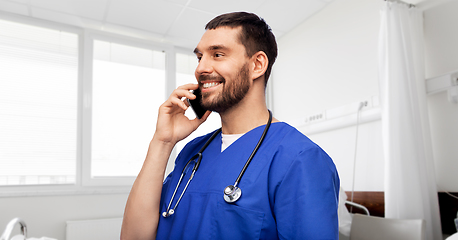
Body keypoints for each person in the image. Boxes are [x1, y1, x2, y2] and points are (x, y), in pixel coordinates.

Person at [121, 12, 340, 240]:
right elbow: (133, 237)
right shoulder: (192, 151)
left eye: (217, 54)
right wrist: (162, 141)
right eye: (199, 57)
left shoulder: (301, 159)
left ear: (257, 65)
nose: (201, 68)